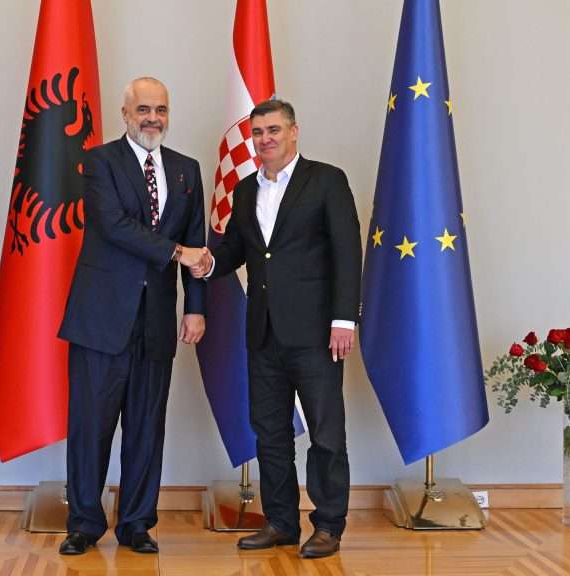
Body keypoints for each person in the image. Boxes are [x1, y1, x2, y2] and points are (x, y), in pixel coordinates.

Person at [191, 99, 361, 559]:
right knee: (270, 434)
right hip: (263, 332)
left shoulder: (326, 180)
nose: (265, 139)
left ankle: (328, 525)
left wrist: (344, 319)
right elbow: (237, 251)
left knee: (326, 434)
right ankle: (281, 523)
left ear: (293, 131)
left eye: (274, 130)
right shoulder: (246, 189)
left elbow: (347, 253)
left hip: (317, 333)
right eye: (258, 132)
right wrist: (206, 263)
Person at [57, 77, 209, 555]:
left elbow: (198, 244)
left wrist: (196, 308)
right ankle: (84, 524)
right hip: (101, 320)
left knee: (146, 427)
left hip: (157, 321)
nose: (152, 118)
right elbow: (115, 226)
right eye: (143, 109)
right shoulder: (100, 161)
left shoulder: (187, 169)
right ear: (125, 114)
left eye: (160, 109)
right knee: (91, 427)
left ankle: (137, 524)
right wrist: (179, 252)